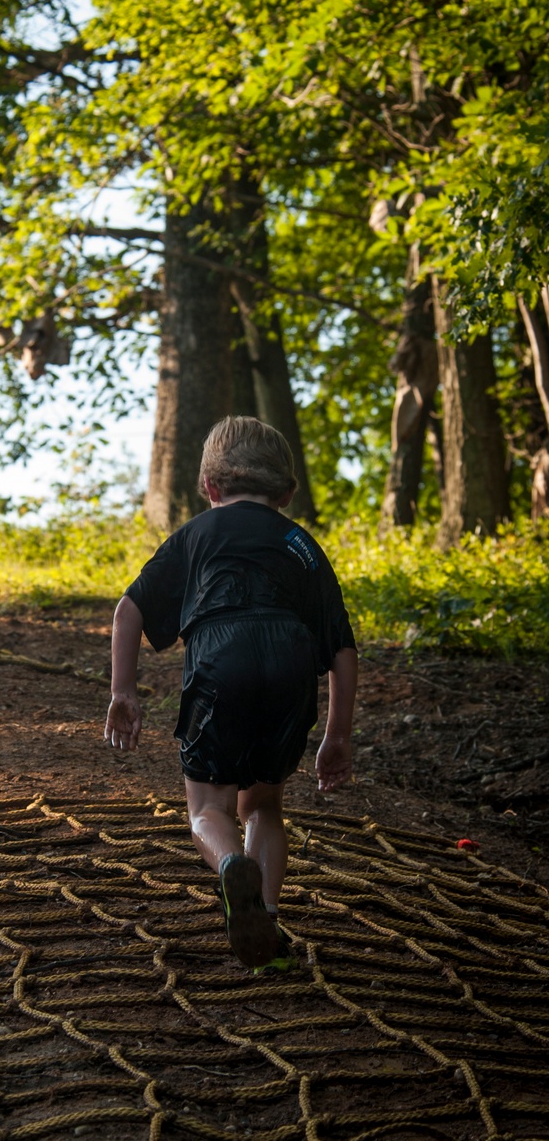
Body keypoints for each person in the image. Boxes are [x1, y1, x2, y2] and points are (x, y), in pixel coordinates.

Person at [105, 416, 357, 973]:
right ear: (287, 493)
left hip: (222, 658)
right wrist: (337, 736)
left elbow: (129, 610)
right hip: (291, 660)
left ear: (211, 488)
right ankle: (264, 915)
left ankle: (227, 867)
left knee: (207, 808)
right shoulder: (301, 544)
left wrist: (123, 691)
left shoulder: (197, 533)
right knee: (264, 804)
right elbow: (341, 648)